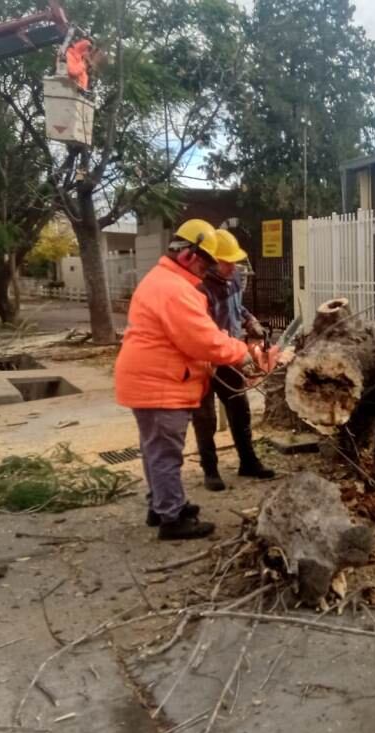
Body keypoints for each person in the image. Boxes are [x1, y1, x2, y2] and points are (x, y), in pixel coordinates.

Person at [114, 219, 278, 541]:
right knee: (165, 452)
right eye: (205, 263)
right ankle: (172, 519)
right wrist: (243, 353)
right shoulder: (174, 289)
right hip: (160, 382)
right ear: (189, 255)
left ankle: (162, 504)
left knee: (155, 449)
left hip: (154, 379)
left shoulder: (167, 281)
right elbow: (202, 339)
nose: (207, 271)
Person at [191, 229, 276, 491]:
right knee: (205, 416)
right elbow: (194, 326)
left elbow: (237, 308)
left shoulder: (236, 277)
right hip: (204, 360)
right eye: (227, 262)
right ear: (211, 260)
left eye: (234, 261)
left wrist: (250, 321)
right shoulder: (198, 287)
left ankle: (248, 462)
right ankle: (210, 470)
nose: (232, 266)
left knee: (240, 408)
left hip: (229, 355)